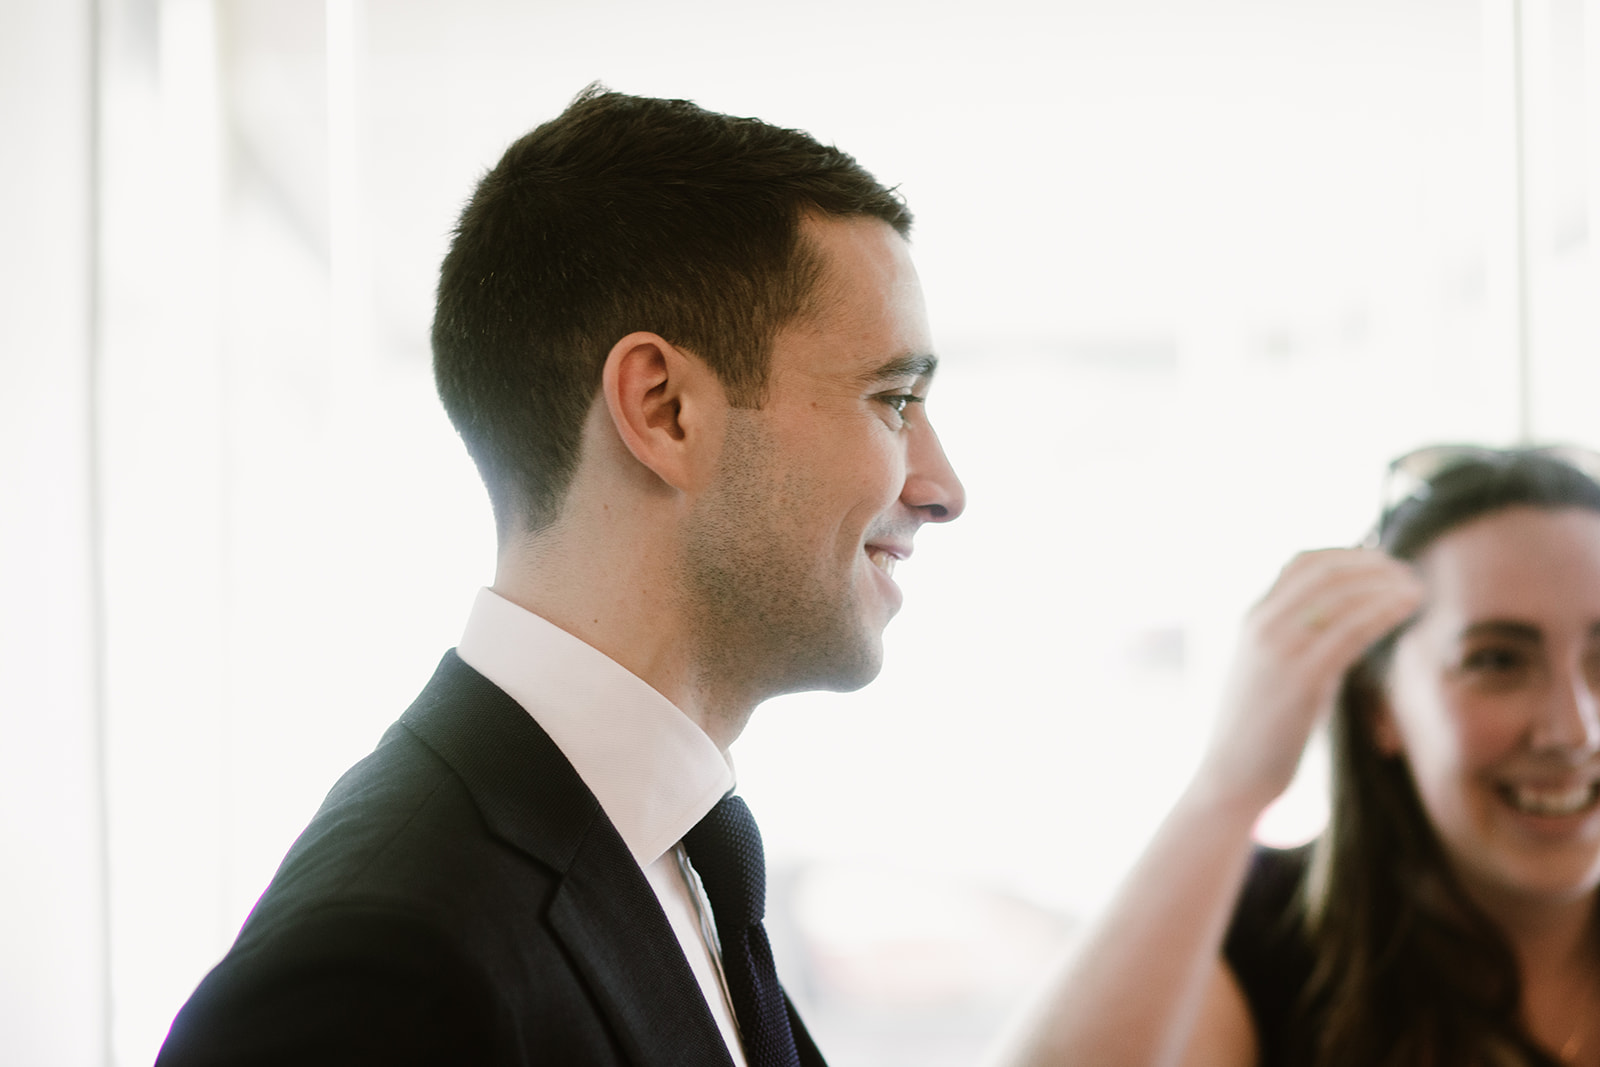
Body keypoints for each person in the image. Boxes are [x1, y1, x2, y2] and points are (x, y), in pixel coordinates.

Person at [156, 85, 964, 1065]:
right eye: (892, 399)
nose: (942, 487)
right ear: (662, 408)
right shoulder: (377, 969)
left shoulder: (671, 862)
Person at [998, 445, 1600, 1066]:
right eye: (1496, 661)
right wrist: (1228, 788)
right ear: (1381, 709)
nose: (1574, 730)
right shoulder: (1264, 937)